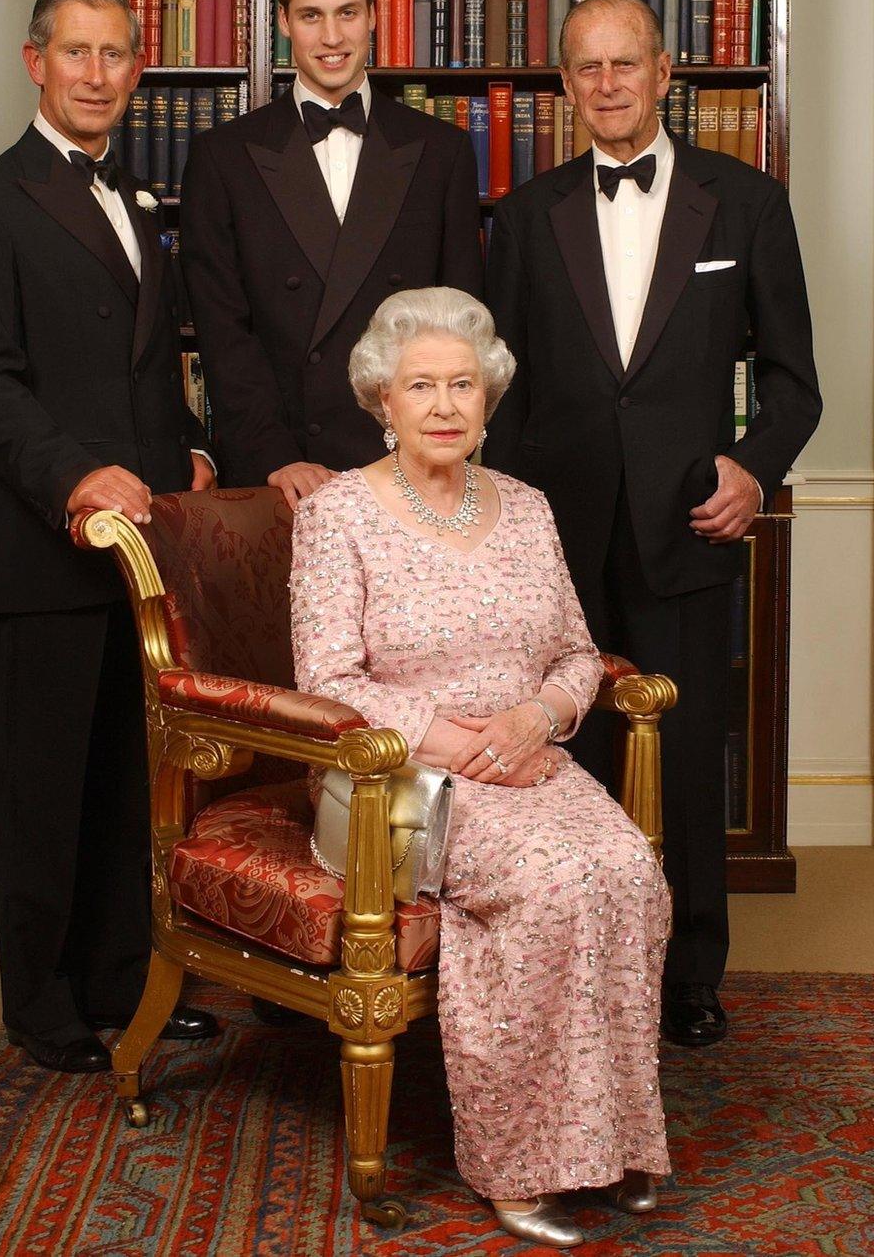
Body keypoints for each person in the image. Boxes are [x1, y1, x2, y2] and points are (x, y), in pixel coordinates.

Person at [290, 287, 670, 1249]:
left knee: (627, 870)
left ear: (489, 397)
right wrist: (457, 745)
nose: (446, 405)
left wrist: (536, 717)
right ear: (383, 398)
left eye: (463, 383)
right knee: (548, 888)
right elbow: (325, 677)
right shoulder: (338, 515)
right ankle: (521, 1163)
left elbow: (579, 655)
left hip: (528, 757)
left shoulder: (530, 510)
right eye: (423, 385)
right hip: (398, 781)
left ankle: (615, 1141)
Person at [485, 0, 821, 1049]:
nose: (607, 85)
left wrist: (752, 468)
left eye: (625, 64)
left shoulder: (747, 203)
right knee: (562, 766)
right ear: (564, 85)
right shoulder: (527, 211)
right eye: (586, 69)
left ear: (665, 72)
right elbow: (500, 389)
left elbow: (793, 384)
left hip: (690, 528)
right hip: (558, 540)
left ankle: (688, 981)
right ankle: (578, 976)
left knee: (683, 760)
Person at [0, 0, 217, 1074]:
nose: (97, 73)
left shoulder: (137, 203)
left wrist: (186, 447)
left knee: (122, 794)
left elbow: (149, 367)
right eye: (77, 53)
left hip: (139, 557)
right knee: (46, 793)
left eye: (115, 56)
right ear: (34, 60)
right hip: (42, 554)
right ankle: (42, 1004)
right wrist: (78, 478)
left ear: (137, 71)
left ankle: (116, 980)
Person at [180, 0, 484, 508]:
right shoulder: (222, 157)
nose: (331, 37)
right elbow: (223, 331)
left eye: (347, 12)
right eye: (311, 15)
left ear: (373, 16)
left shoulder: (442, 151)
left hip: (411, 465)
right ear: (283, 22)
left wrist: (426, 447)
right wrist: (276, 455)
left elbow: (458, 330)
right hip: (283, 471)